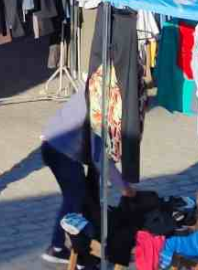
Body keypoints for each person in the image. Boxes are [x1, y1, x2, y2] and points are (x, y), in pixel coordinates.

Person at [39, 91, 135, 265]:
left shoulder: (92, 87)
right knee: (74, 198)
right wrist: (123, 187)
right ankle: (57, 247)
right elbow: (100, 158)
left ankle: (81, 247)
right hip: (62, 152)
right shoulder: (102, 108)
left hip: (50, 145)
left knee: (77, 198)